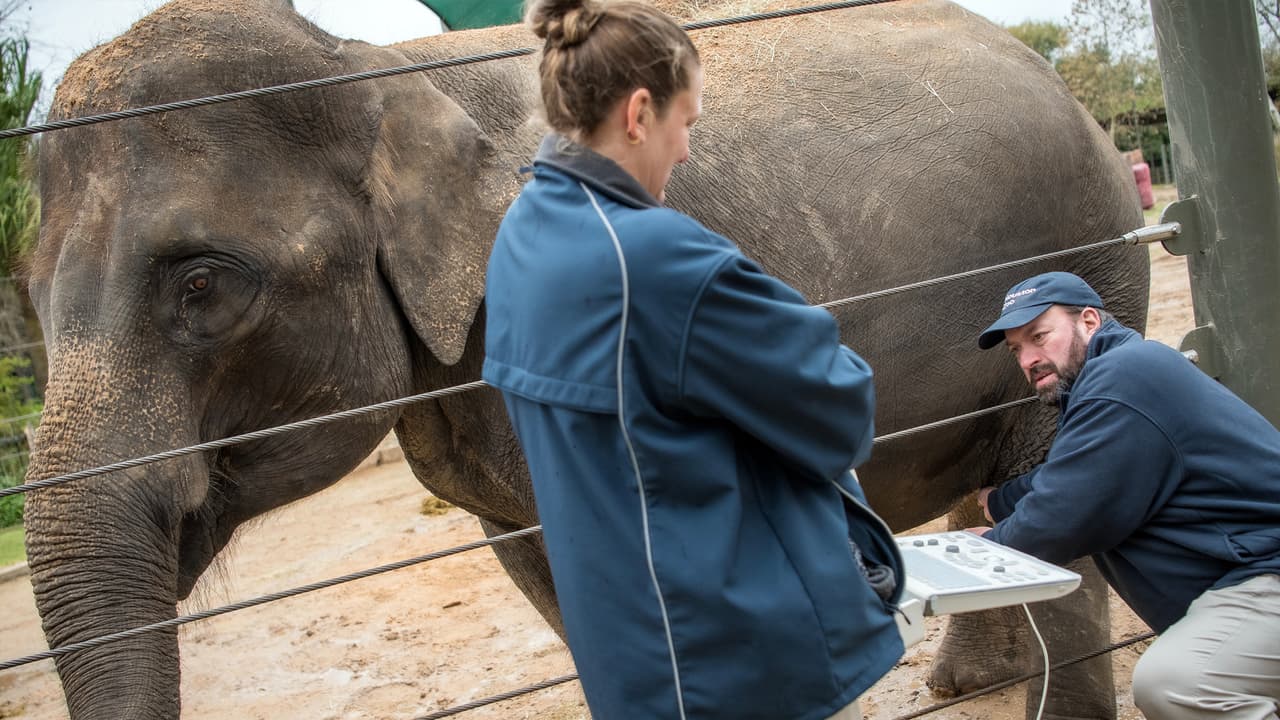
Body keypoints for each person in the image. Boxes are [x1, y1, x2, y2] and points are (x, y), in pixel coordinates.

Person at [481, 0, 904, 717]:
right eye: (687, 122)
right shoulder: (659, 257)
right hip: (737, 656)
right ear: (640, 113)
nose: (685, 150)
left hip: (636, 658)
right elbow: (840, 410)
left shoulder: (521, 234)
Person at [972, 271, 1280, 720]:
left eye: (1040, 336)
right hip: (1251, 573)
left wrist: (984, 551)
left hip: (1267, 573)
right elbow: (1074, 471)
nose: (1028, 359)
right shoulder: (1115, 376)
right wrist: (1000, 500)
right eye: (1017, 349)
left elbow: (1062, 517)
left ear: (1090, 321)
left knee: (1176, 684)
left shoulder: (1122, 379)